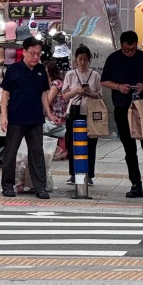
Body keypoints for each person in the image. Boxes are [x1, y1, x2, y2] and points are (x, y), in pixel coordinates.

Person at [101, 30, 143, 198]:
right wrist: (119, 87)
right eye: (126, 50)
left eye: (132, 49)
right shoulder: (113, 59)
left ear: (136, 44)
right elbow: (104, 81)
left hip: (142, 107)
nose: (130, 53)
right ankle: (136, 184)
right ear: (121, 45)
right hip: (122, 107)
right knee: (129, 148)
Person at [0, 36, 51, 200]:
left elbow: (44, 94)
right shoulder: (13, 69)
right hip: (16, 117)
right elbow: (5, 94)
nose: (35, 57)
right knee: (10, 153)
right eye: (32, 53)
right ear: (24, 52)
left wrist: (49, 113)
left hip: (35, 118)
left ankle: (40, 187)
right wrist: (3, 116)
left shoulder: (41, 70)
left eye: (38, 53)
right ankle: (7, 186)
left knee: (37, 154)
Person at [60, 45, 102, 184]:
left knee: (91, 144)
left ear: (89, 60)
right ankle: (73, 173)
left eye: (85, 59)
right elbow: (64, 96)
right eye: (80, 59)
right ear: (76, 60)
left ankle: (89, 174)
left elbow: (99, 95)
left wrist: (89, 92)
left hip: (90, 113)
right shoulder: (70, 75)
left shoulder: (95, 75)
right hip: (74, 112)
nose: (83, 62)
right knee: (73, 144)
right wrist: (76, 91)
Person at [43, 60, 67, 162]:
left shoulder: (56, 83)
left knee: (34, 130)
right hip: (49, 118)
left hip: (56, 119)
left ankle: (57, 150)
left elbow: (47, 101)